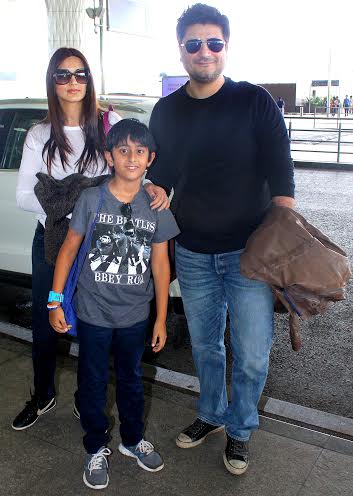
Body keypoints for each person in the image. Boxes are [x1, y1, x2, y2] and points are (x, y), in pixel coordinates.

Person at [146, 3, 295, 476]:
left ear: (226, 48)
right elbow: (162, 176)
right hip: (192, 252)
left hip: (249, 255)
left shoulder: (254, 101)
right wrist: (147, 189)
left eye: (213, 43)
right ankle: (211, 414)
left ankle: (241, 430)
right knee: (207, 346)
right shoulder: (166, 111)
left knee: (251, 352)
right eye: (194, 44)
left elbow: (281, 172)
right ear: (182, 51)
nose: (204, 51)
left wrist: (281, 235)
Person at [13, 47, 167, 432]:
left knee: (95, 326)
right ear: (52, 81)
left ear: (89, 79)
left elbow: (130, 168)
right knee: (49, 321)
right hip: (53, 240)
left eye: (80, 74)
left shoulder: (108, 122)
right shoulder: (39, 134)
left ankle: (89, 398)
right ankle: (43, 393)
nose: (72, 82)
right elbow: (22, 196)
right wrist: (81, 197)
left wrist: (152, 187)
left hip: (105, 242)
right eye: (62, 75)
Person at [48, 119, 179, 490]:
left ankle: (132, 440)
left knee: (132, 381)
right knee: (91, 382)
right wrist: (54, 301)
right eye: (123, 150)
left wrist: (161, 319)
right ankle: (94, 446)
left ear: (150, 159)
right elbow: (69, 250)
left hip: (136, 316)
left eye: (139, 151)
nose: (131, 157)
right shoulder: (91, 199)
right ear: (109, 157)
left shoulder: (156, 204)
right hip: (93, 314)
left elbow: (160, 264)